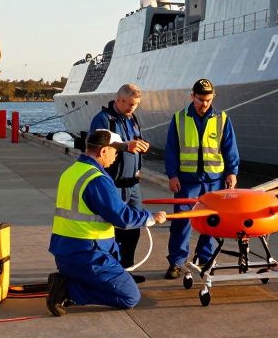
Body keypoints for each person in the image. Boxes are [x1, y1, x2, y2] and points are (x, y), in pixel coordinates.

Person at [46, 129, 166, 316]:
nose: (117, 155)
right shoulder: (97, 179)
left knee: (120, 282)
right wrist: (150, 218)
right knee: (130, 296)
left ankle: (70, 282)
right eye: (115, 150)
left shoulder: (71, 172)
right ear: (103, 151)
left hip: (65, 253)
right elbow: (121, 217)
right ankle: (68, 289)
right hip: (88, 254)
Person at [163, 78, 239, 279]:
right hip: (186, 181)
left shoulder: (222, 119)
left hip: (214, 180)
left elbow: (230, 149)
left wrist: (232, 172)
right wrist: (172, 175)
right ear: (192, 97)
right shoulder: (179, 119)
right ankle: (176, 262)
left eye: (208, 99)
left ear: (213, 97)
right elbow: (171, 150)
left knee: (211, 221)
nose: (204, 104)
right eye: (200, 100)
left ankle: (205, 257)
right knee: (182, 222)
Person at [88, 83, 149, 276]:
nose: (133, 108)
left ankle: (127, 269)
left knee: (134, 227)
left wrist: (141, 148)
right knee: (113, 229)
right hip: (113, 183)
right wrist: (125, 146)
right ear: (118, 100)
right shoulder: (104, 119)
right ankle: (111, 270)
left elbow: (134, 142)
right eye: (130, 104)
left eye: (136, 104)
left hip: (132, 184)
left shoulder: (132, 119)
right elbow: (96, 145)